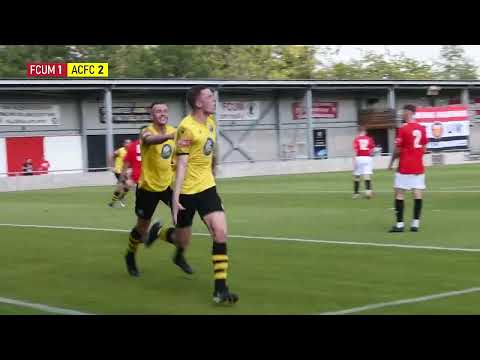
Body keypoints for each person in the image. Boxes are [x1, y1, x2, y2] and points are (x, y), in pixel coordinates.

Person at [172, 85, 239, 304]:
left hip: (206, 188)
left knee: (220, 231)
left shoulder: (210, 123)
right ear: (198, 103)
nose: (214, 99)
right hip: (186, 192)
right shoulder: (185, 127)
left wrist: (214, 184)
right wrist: (175, 198)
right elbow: (181, 164)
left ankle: (221, 289)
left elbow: (210, 155)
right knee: (182, 239)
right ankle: (161, 234)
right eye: (210, 96)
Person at [124, 103, 178, 277]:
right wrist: (170, 136)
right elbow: (149, 140)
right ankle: (130, 255)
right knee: (141, 228)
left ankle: (163, 237)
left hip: (167, 186)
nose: (162, 113)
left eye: (164, 110)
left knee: (184, 215)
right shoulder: (146, 131)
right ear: (152, 115)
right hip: (148, 188)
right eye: (158, 111)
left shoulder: (173, 129)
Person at [388, 104, 428, 232]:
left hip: (405, 166)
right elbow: (424, 148)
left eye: (403, 111)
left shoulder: (403, 129)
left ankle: (399, 225)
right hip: (418, 166)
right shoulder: (422, 128)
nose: (402, 113)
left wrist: (391, 162)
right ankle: (415, 224)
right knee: (417, 193)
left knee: (399, 193)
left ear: (409, 112)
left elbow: (397, 149)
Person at [352, 125, 375, 199]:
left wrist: (354, 160)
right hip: (367, 158)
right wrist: (370, 156)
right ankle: (368, 192)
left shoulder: (356, 139)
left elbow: (355, 150)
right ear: (365, 132)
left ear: (359, 131)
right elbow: (372, 150)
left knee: (357, 176)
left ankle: (356, 193)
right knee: (367, 175)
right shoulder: (369, 139)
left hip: (359, 157)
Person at [109, 139, 131, 207]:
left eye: (130, 143)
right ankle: (113, 202)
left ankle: (118, 199)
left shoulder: (131, 151)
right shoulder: (120, 150)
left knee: (128, 186)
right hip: (118, 171)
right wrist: (112, 166)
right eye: (127, 143)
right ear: (124, 144)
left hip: (124, 172)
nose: (128, 144)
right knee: (121, 186)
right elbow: (112, 156)